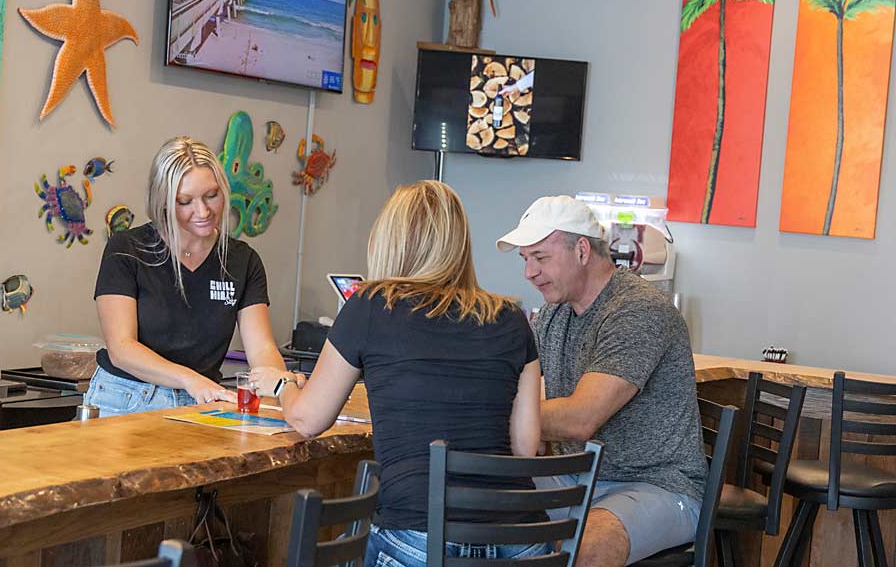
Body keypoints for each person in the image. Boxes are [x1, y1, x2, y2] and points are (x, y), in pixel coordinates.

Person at [251, 180, 546, 566]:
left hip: (418, 540)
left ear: (390, 240)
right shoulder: (511, 318)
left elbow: (308, 419)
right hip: (519, 542)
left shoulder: (370, 307)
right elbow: (525, 447)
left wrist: (283, 385)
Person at [496, 195, 708, 566]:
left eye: (540, 257)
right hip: (575, 479)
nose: (529, 272)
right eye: (524, 259)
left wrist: (491, 415)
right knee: (471, 503)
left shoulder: (637, 309)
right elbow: (509, 384)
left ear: (581, 250)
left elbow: (582, 419)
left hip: (657, 486)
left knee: (585, 548)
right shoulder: (552, 313)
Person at [86, 136, 296, 417]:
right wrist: (190, 380)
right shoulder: (126, 250)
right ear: (162, 202)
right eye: (185, 201)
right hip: (127, 397)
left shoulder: (242, 260)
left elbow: (263, 348)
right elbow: (121, 349)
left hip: (203, 400)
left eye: (212, 195)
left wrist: (281, 383)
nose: (203, 211)